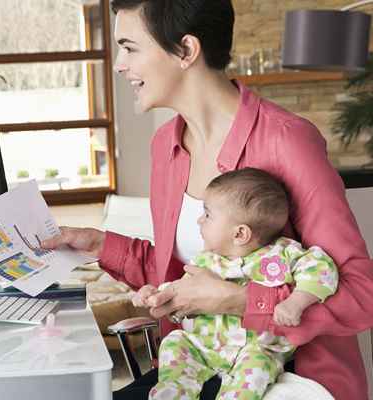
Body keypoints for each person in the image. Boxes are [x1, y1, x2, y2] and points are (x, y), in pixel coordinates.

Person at [41, 1, 373, 399]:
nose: (119, 65)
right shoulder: (166, 146)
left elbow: (361, 292)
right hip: (203, 361)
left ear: (186, 50)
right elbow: (182, 273)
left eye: (130, 48)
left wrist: (238, 300)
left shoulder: (287, 141)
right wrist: (97, 244)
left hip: (284, 373)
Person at [133, 168, 338, 399]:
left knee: (259, 366)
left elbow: (321, 269)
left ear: (240, 234)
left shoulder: (283, 253)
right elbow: (181, 292)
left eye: (207, 215)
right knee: (175, 342)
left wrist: (296, 302)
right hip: (204, 347)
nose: (200, 220)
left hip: (256, 349)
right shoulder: (205, 260)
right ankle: (173, 393)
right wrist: (154, 294)